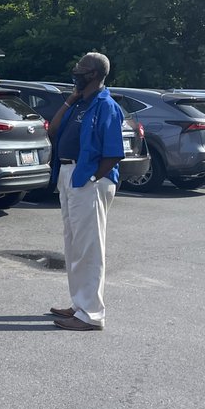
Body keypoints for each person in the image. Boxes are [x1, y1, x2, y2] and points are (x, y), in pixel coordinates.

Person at [46, 52, 124, 332]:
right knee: (74, 245)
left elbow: (114, 153)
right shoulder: (80, 103)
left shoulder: (107, 106)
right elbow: (53, 131)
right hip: (69, 176)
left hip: (90, 180)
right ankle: (79, 304)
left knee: (90, 248)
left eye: (81, 67)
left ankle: (91, 314)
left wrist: (91, 177)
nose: (76, 70)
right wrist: (69, 99)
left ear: (95, 74)